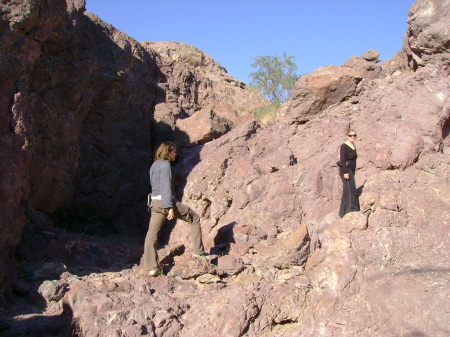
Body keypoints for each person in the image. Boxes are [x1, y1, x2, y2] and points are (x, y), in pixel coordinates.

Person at [142, 141, 207, 276]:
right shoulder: (165, 165)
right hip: (165, 202)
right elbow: (165, 187)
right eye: (174, 152)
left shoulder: (154, 165)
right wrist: (170, 207)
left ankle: (152, 267)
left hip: (154, 202)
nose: (176, 154)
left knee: (151, 235)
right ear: (168, 152)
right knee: (194, 218)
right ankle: (198, 253)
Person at [339, 129, 360, 217]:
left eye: (354, 135)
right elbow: (343, 159)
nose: (353, 137)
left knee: (350, 189)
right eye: (350, 135)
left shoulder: (353, 145)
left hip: (351, 169)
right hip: (346, 169)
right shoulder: (344, 146)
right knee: (350, 190)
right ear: (347, 136)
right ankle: (351, 210)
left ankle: (344, 212)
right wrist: (345, 172)